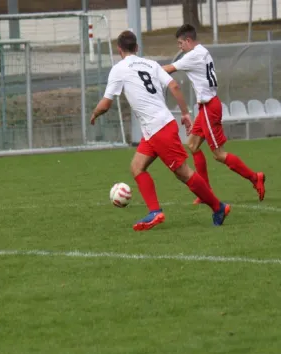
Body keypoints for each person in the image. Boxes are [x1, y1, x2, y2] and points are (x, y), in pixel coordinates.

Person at [90, 30, 231, 231]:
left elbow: (105, 104)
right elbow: (174, 86)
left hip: (159, 129)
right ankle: (155, 212)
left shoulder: (119, 69)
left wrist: (95, 113)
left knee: (183, 173)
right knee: (137, 167)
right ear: (137, 48)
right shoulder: (151, 64)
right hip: (156, 128)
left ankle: (218, 207)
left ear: (119, 50)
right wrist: (185, 113)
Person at [162, 24, 266, 205]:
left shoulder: (193, 56)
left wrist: (145, 69)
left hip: (210, 107)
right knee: (193, 145)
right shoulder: (203, 51)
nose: (180, 47)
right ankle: (206, 192)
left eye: (180, 43)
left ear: (188, 41)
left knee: (218, 154)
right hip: (206, 107)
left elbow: (168, 69)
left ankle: (254, 177)